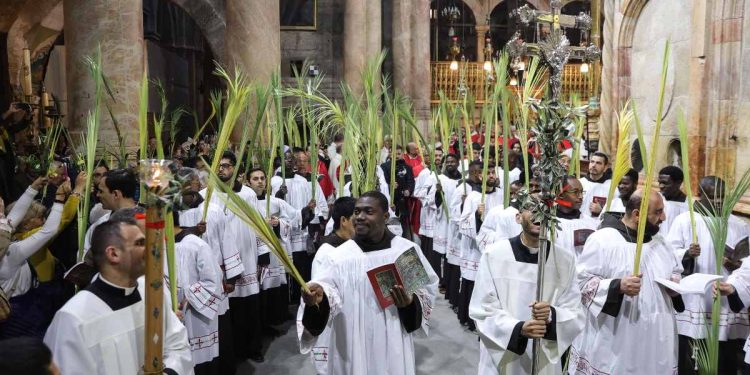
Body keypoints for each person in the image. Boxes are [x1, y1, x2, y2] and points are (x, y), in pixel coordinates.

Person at [298, 191, 438, 374]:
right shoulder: (339, 257)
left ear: (385, 216)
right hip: (352, 343)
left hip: (393, 341)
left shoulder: (405, 252)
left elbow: (425, 293)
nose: (359, 217)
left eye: (368, 212)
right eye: (356, 212)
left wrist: (410, 304)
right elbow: (328, 293)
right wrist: (318, 300)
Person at [44, 217, 193, 374]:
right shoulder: (74, 318)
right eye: (140, 243)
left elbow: (177, 344)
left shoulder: (151, 292)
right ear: (113, 254)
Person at [569, 190, 684, 374]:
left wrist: (675, 285)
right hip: (617, 338)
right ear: (637, 214)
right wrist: (617, 286)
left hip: (656, 338)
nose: (663, 217)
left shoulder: (661, 243)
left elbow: (676, 271)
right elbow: (582, 284)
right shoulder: (602, 240)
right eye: (658, 211)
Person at [470, 194, 585, 374]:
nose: (539, 213)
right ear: (518, 217)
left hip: (544, 358)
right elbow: (482, 309)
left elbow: (575, 312)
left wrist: (551, 316)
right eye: (531, 208)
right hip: (504, 354)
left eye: (545, 209)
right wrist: (518, 329)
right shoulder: (494, 255)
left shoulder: (564, 260)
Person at [667, 176, 750, 374]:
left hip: (726, 300)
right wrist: (687, 254)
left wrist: (735, 263)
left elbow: (747, 264)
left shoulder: (738, 224)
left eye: (722, 197)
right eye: (713, 197)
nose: (719, 201)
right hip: (695, 300)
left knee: (726, 356)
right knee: (692, 356)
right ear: (701, 195)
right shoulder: (686, 220)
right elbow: (669, 255)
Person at [168, 212, 223, 375]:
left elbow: (213, 281)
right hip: (172, 317)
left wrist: (186, 298)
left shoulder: (195, 245)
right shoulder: (158, 247)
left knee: (200, 364)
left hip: (195, 315)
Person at [457, 162, 503, 331]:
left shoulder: (501, 195)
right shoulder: (473, 197)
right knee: (473, 282)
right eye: (487, 172)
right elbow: (462, 224)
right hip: (474, 250)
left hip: (494, 248)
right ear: (479, 176)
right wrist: (476, 215)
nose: (491, 175)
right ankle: (470, 319)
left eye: (493, 172)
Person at [553, 176, 599, 257]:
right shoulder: (549, 222)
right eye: (575, 192)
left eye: (581, 192)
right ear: (560, 195)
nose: (581, 196)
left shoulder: (590, 224)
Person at [580, 151, 612, 219]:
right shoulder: (580, 183)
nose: (594, 165)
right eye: (592, 162)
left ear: (605, 167)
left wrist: (601, 210)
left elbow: (614, 212)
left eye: (598, 163)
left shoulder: (611, 187)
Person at [658, 165, 689, 234]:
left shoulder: (689, 205)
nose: (661, 186)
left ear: (678, 183)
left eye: (665, 183)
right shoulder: (655, 199)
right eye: (659, 182)